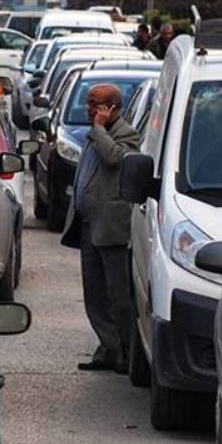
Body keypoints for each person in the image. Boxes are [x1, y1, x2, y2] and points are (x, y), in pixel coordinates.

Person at [61, 83, 141, 373]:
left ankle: (127, 351)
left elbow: (116, 159)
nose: (89, 109)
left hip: (111, 228)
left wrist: (100, 129)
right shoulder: (94, 134)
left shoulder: (125, 134)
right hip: (87, 224)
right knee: (93, 293)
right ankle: (108, 348)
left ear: (112, 108)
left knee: (117, 295)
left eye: (95, 104)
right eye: (88, 103)